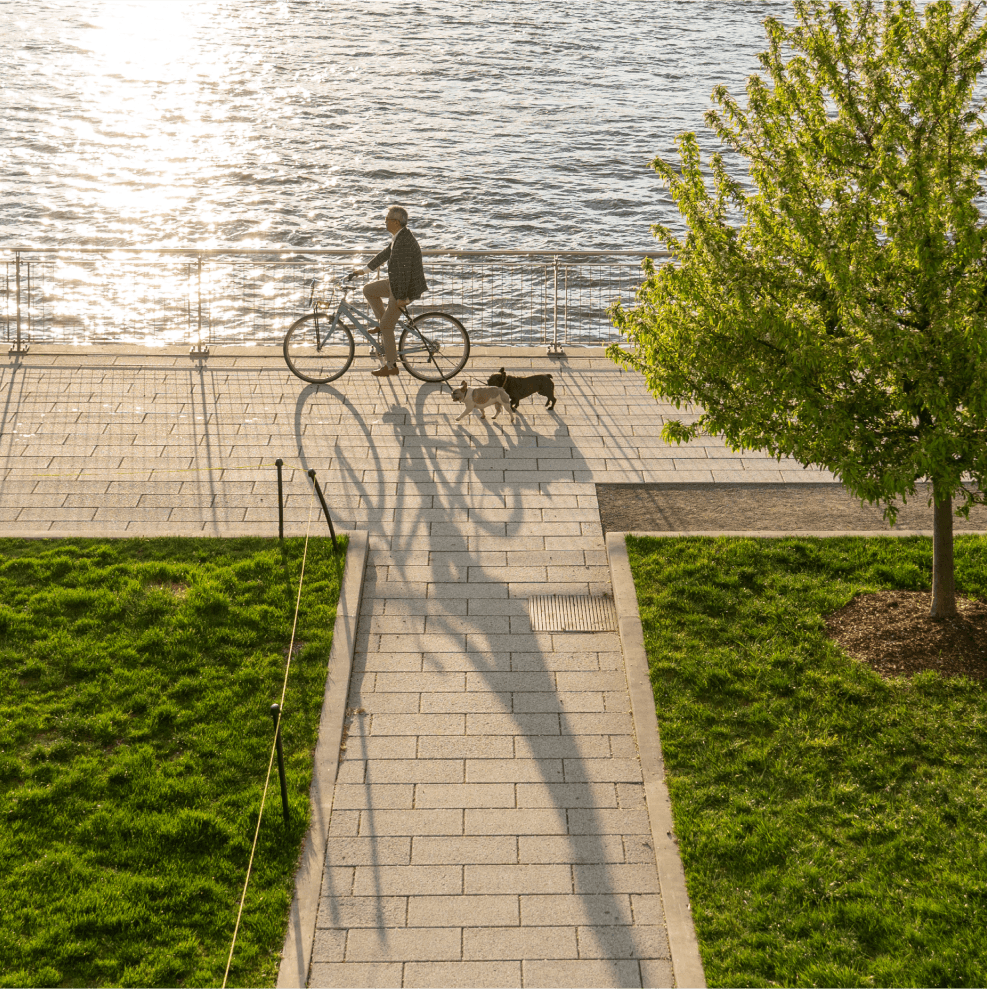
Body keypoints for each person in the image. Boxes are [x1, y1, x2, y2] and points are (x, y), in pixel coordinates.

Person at [355, 205, 428, 377]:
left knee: (388, 326)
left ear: (395, 221)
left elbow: (404, 274)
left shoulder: (403, 242)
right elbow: (384, 254)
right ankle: (383, 324)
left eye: (387, 218)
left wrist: (403, 298)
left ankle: (391, 366)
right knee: (369, 290)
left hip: (403, 288)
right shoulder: (399, 237)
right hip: (395, 282)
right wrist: (363, 271)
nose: (384, 221)